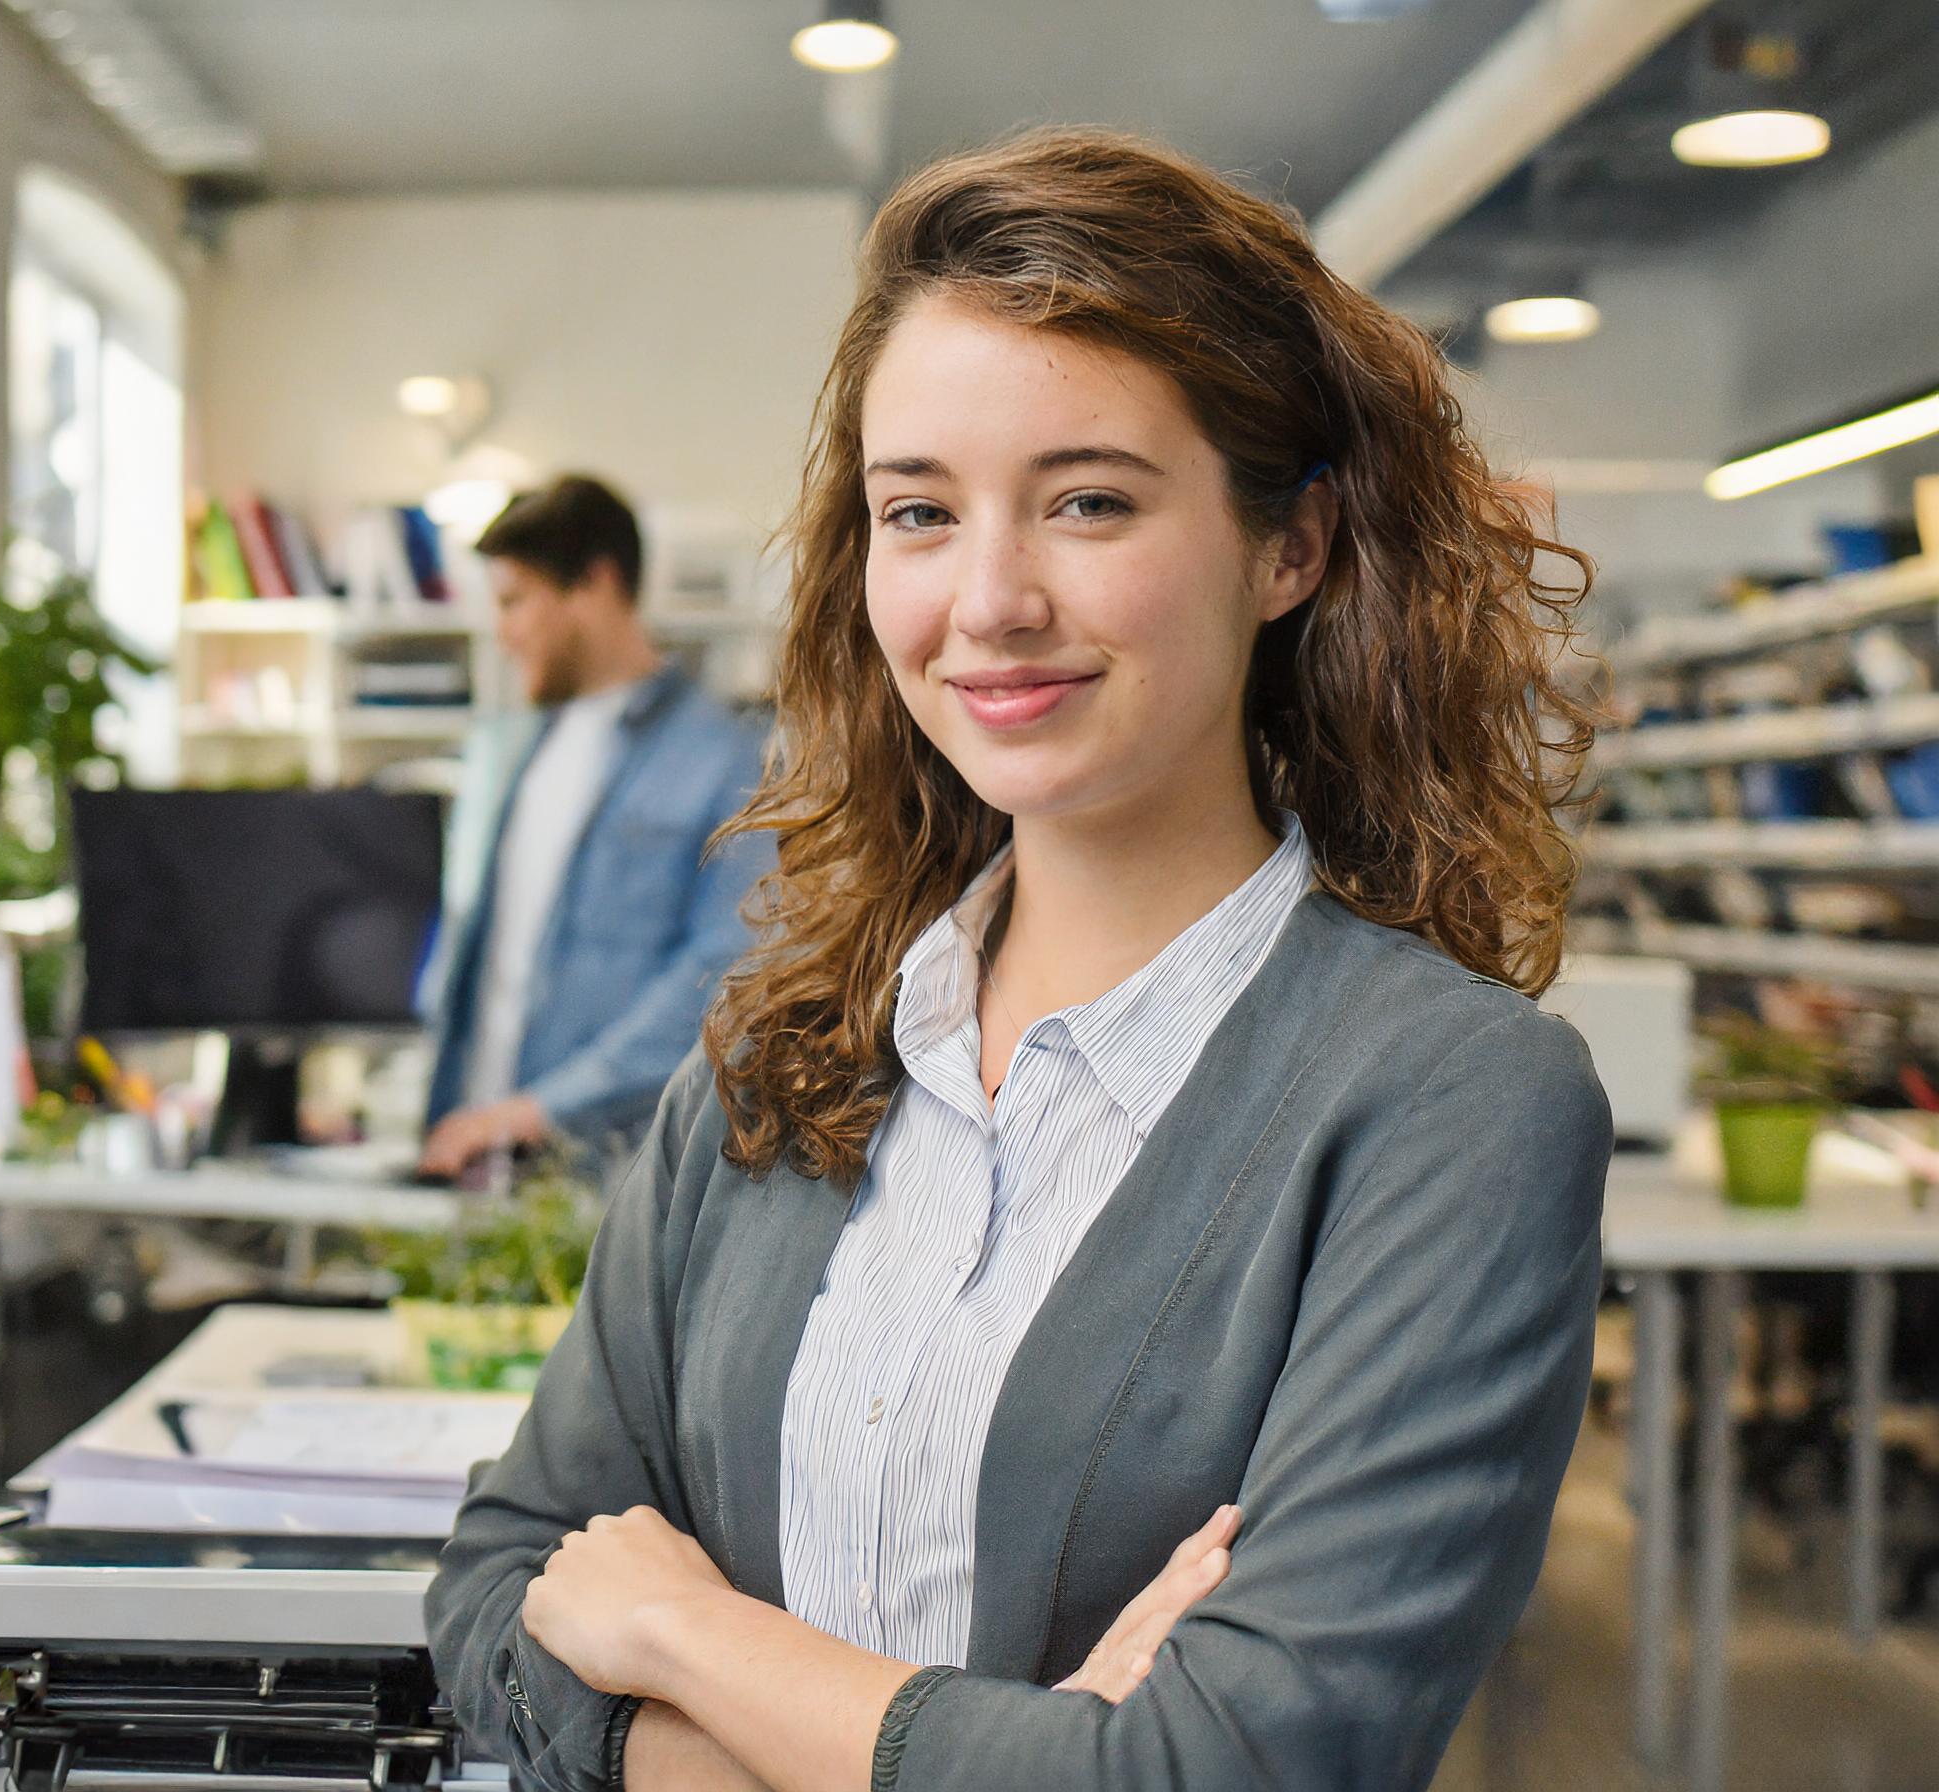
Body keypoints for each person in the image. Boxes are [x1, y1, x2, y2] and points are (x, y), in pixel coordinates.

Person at [426, 130, 1612, 1792]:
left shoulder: (1449, 1104)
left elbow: (1227, 1770)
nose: (985, 600)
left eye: (1086, 502)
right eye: (915, 510)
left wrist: (688, 1635)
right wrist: (1036, 1751)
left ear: (1291, 547)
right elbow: (495, 1587)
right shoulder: (780, 1048)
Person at [418, 474, 771, 1179]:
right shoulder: (506, 750)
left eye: (517, 602)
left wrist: (540, 1109)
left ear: (596, 584)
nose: (503, 633)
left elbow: (726, 976)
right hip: (472, 1160)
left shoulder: (720, 757)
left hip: (603, 1173)